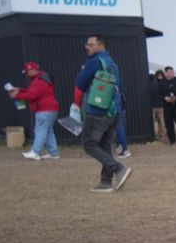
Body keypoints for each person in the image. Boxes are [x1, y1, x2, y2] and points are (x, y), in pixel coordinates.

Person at [74, 34, 131, 193]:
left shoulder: (94, 62)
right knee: (106, 146)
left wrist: (76, 104)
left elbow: (80, 83)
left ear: (100, 45)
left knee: (89, 144)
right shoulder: (112, 63)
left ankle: (118, 168)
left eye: (90, 44)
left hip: (98, 109)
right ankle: (106, 183)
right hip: (115, 111)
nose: (87, 47)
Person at [8, 61, 60, 160]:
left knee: (40, 130)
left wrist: (18, 94)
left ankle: (35, 152)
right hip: (51, 109)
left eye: (27, 72)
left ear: (33, 70)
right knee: (48, 131)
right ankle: (54, 153)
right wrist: (20, 90)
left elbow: (33, 94)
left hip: (44, 110)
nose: (26, 74)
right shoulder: (42, 79)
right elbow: (33, 92)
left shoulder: (39, 80)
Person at [160, 67, 176, 145]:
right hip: (167, 106)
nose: (172, 74)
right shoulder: (162, 83)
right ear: (166, 73)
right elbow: (159, 94)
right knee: (169, 123)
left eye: (172, 72)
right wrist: (165, 98)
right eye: (170, 72)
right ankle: (172, 140)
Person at [150, 70, 167, 142]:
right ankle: (162, 134)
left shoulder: (151, 84)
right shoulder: (163, 84)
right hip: (161, 105)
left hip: (153, 105)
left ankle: (154, 135)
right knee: (161, 121)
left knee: (153, 122)